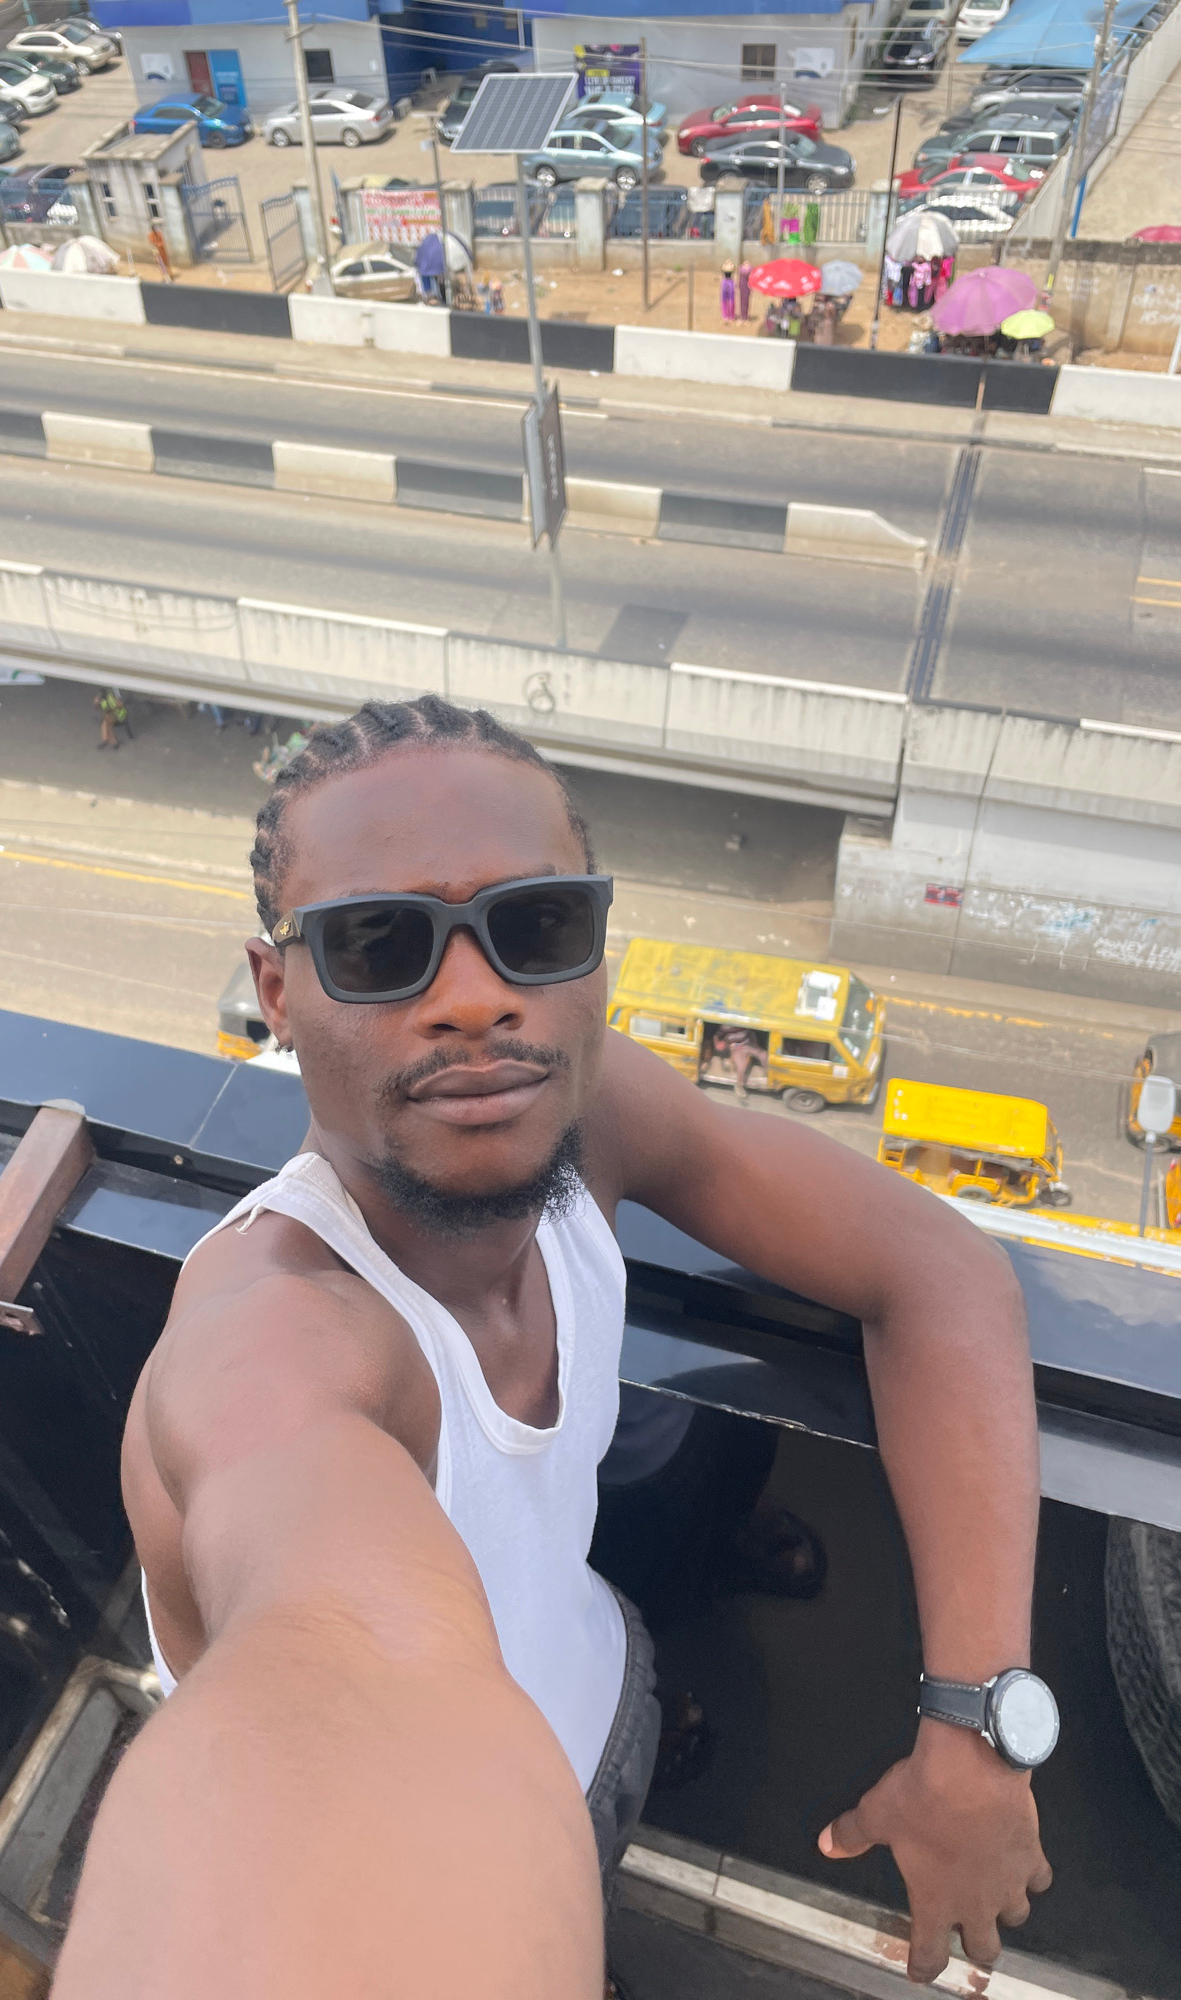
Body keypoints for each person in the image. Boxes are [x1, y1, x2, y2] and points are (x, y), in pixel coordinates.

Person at [54, 697, 1051, 2000]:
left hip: (599, 1677)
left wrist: (975, 1732)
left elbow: (938, 1270)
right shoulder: (276, 1340)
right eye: (378, 944)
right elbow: (316, 1663)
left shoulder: (587, 1109)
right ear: (278, 991)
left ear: (596, 956)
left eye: (535, 927)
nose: (476, 1000)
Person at [711, 1021, 768, 1104]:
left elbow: (751, 1032)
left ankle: (768, 1074)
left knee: (764, 1055)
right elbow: (716, 1035)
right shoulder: (725, 1026)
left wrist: (755, 1044)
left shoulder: (744, 1021)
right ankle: (739, 1087)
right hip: (736, 1047)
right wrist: (717, 1044)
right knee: (741, 1067)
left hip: (748, 1044)